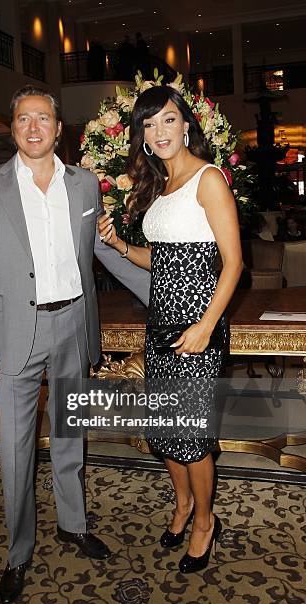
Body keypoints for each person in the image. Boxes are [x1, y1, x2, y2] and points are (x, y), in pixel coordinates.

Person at [0, 85, 150, 604]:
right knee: (15, 450)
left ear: (60, 129)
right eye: (23, 119)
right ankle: (18, 552)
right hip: (13, 333)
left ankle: (73, 525)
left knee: (69, 438)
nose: (34, 127)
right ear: (12, 128)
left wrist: (168, 294)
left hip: (72, 327)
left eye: (43, 118)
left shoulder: (85, 186)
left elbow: (102, 254)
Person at [98, 85, 243, 573]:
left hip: (196, 329)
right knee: (165, 431)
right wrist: (120, 244)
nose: (158, 132)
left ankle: (205, 522)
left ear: (186, 124)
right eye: (148, 124)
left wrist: (206, 326)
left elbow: (233, 263)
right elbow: (161, 259)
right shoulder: (160, 189)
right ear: (141, 135)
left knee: (191, 437)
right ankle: (181, 506)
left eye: (167, 120)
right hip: (160, 323)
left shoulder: (209, 179)